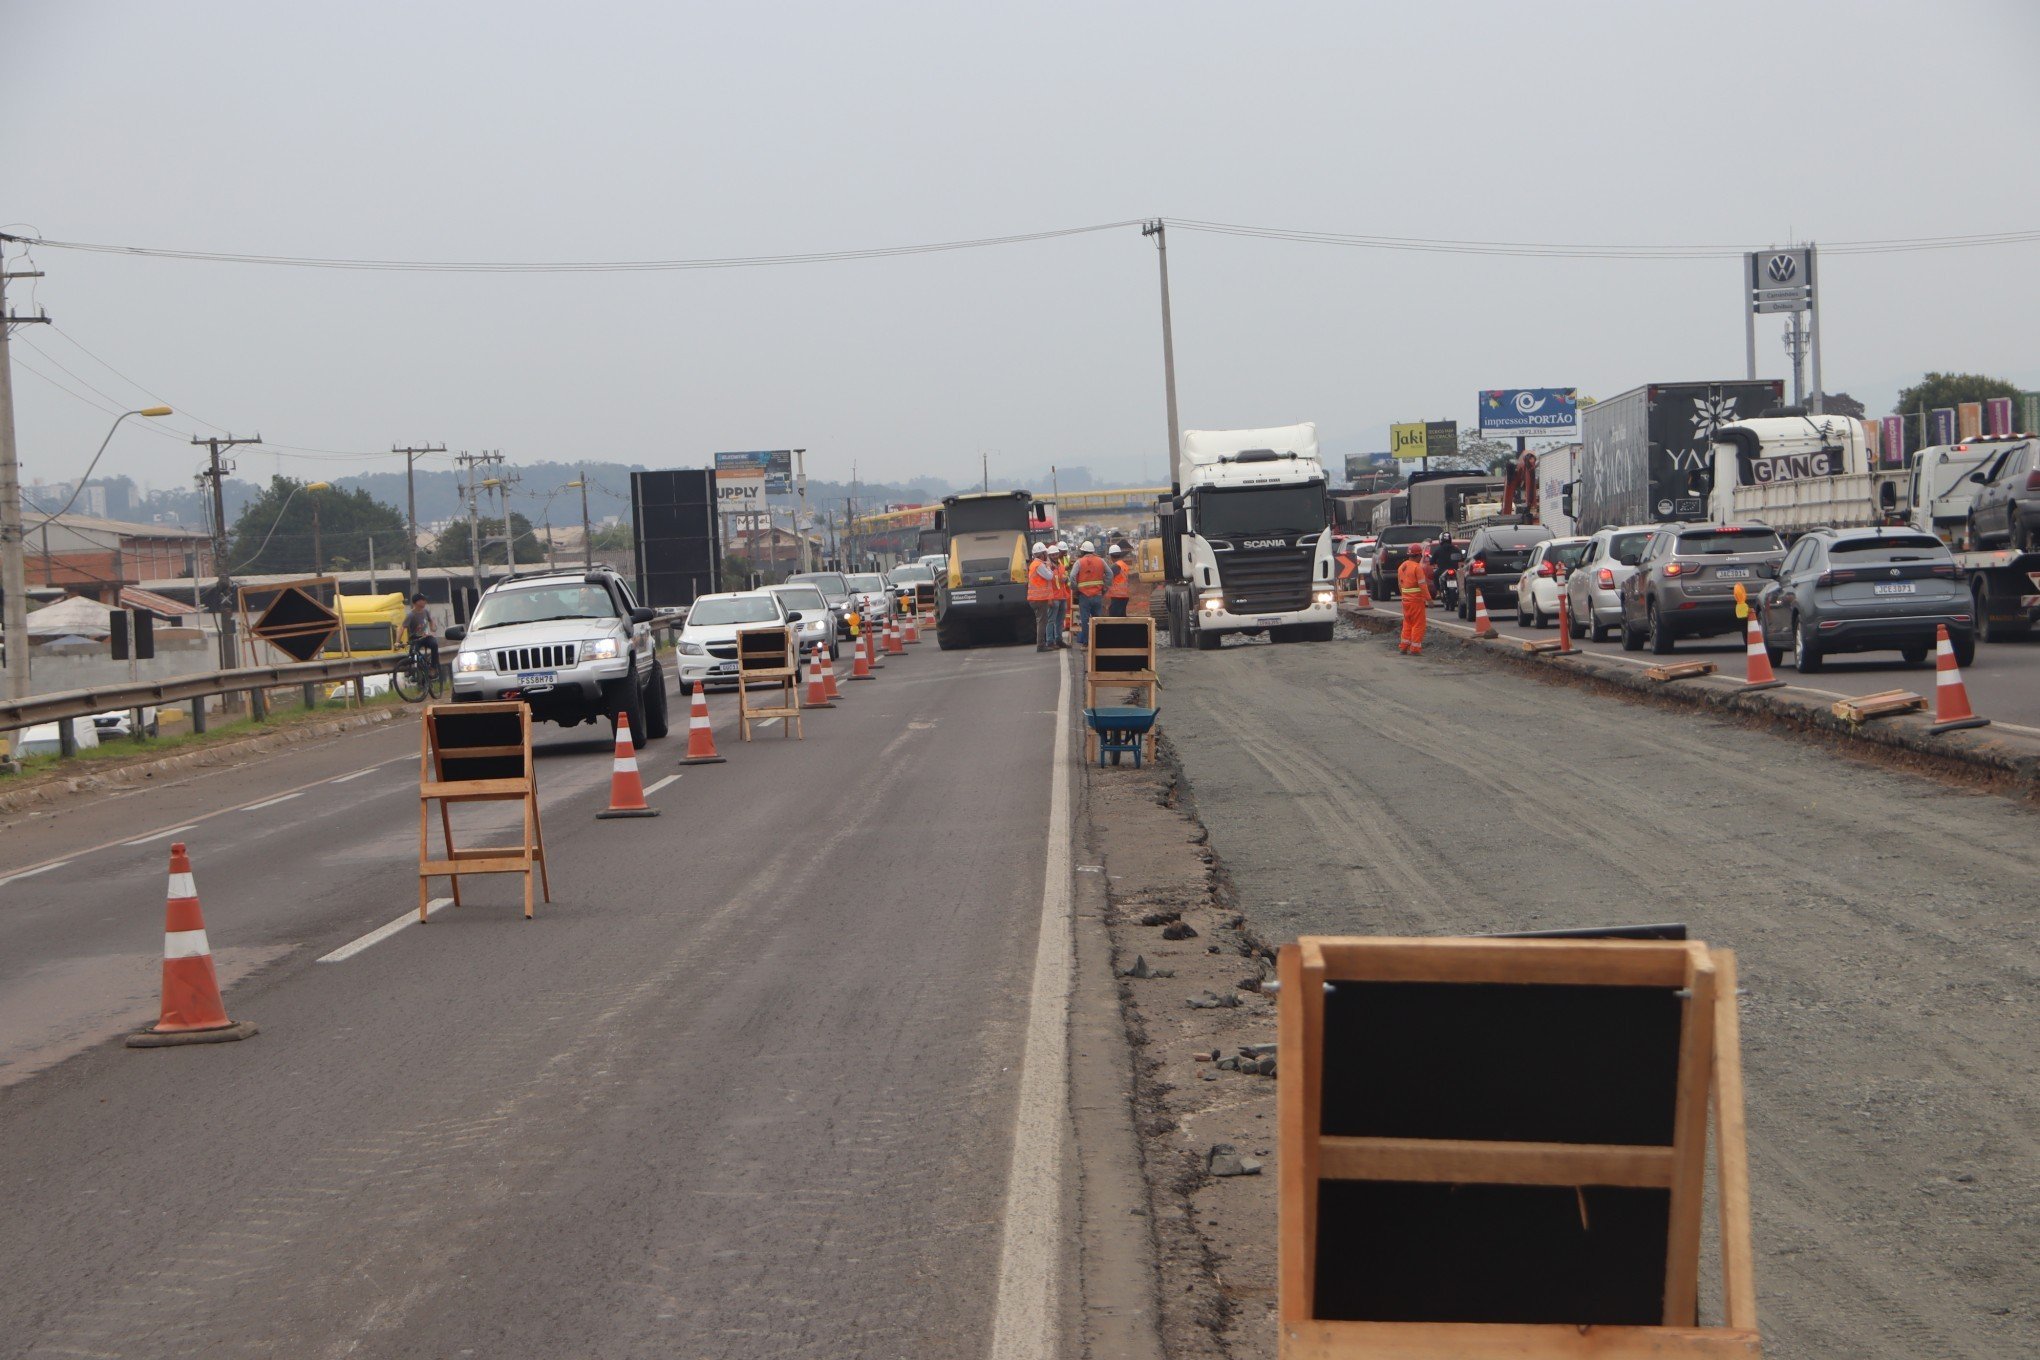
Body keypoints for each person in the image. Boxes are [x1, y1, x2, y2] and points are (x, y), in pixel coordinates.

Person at [1072, 539, 1109, 645]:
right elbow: (1109, 574)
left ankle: (1086, 642)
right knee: (1098, 619)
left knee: (1085, 620)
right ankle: (1099, 641)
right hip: (1097, 595)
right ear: (1093, 551)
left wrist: (1075, 589)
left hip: (1084, 596)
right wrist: (1105, 586)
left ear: (1082, 551)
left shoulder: (1079, 562)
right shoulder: (1101, 561)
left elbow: (1072, 576)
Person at [1026, 543, 1059, 651]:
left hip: (1036, 598)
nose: (1047, 555)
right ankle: (1041, 645)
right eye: (1045, 553)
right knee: (1042, 622)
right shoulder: (1039, 565)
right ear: (1042, 554)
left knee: (1041, 621)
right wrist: (1049, 566)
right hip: (1039, 599)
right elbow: (1049, 576)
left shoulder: (1035, 564)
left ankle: (1041, 644)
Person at [1397, 548, 1430, 655]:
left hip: (1406, 600)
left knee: (1407, 623)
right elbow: (1423, 585)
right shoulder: (1417, 568)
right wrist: (1429, 599)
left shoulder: (1402, 566)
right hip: (1416, 600)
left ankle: (1403, 647)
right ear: (1418, 555)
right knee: (1418, 624)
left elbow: (1400, 584)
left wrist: (1404, 596)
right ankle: (1415, 649)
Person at [403, 593, 440, 674]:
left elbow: (431, 620)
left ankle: (433, 667)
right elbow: (402, 628)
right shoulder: (410, 615)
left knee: (434, 644)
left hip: (426, 637)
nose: (425, 602)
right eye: (423, 600)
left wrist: (432, 628)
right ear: (417, 602)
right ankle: (411, 671)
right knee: (413, 651)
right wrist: (397, 641)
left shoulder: (426, 611)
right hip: (415, 638)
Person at [1049, 543, 1071, 647]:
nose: (1055, 556)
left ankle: (1059, 640)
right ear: (1049, 556)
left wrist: (1065, 579)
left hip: (1062, 596)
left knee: (1060, 620)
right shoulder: (1048, 566)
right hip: (1054, 597)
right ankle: (1050, 641)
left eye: (1056, 554)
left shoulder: (1061, 566)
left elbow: (1064, 576)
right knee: (1051, 620)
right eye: (1052, 555)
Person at [1104, 544, 1132, 616]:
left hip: (1117, 596)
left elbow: (1107, 577)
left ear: (1111, 556)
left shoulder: (1115, 566)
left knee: (1114, 619)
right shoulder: (1123, 565)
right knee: (1122, 618)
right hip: (1124, 596)